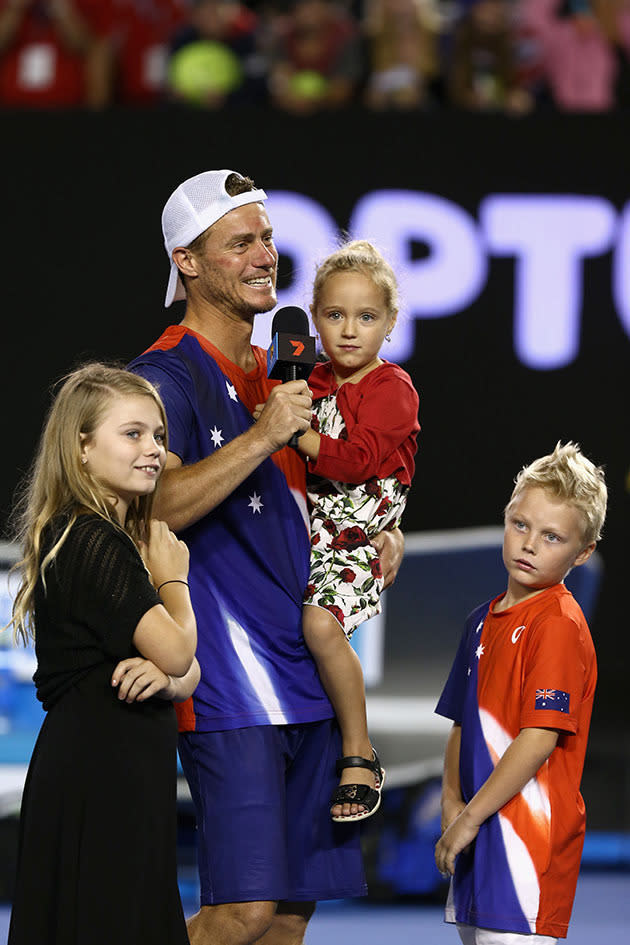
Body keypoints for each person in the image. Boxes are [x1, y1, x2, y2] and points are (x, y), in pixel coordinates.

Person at [128, 168, 404, 945]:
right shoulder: (164, 373)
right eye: (239, 241)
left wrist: (378, 526)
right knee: (242, 910)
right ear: (187, 260)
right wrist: (262, 435)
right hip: (227, 681)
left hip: (308, 673)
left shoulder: (290, 372)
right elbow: (153, 507)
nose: (264, 255)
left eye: (269, 238)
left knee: (287, 916)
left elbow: (320, 487)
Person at [6, 363, 199, 945]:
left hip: (118, 775)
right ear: (82, 448)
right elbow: (179, 647)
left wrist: (167, 681)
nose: (154, 451)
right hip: (100, 777)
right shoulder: (93, 538)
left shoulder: (103, 535)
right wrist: (174, 582)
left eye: (158, 436)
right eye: (133, 434)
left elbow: (187, 672)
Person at [434, 441, 607, 944]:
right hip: (477, 835)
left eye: (552, 536)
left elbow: (538, 739)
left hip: (528, 848)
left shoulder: (558, 624)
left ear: (583, 551)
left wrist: (468, 816)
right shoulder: (478, 622)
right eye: (520, 524)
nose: (529, 544)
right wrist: (450, 802)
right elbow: (460, 725)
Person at [272, 240, 419, 822]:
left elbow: (356, 462)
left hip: (356, 538)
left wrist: (289, 433)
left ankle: (359, 752)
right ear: (314, 320)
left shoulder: (393, 389)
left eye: (367, 316)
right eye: (334, 315)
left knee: (320, 625)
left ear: (390, 322)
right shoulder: (309, 379)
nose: (350, 330)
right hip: (308, 529)